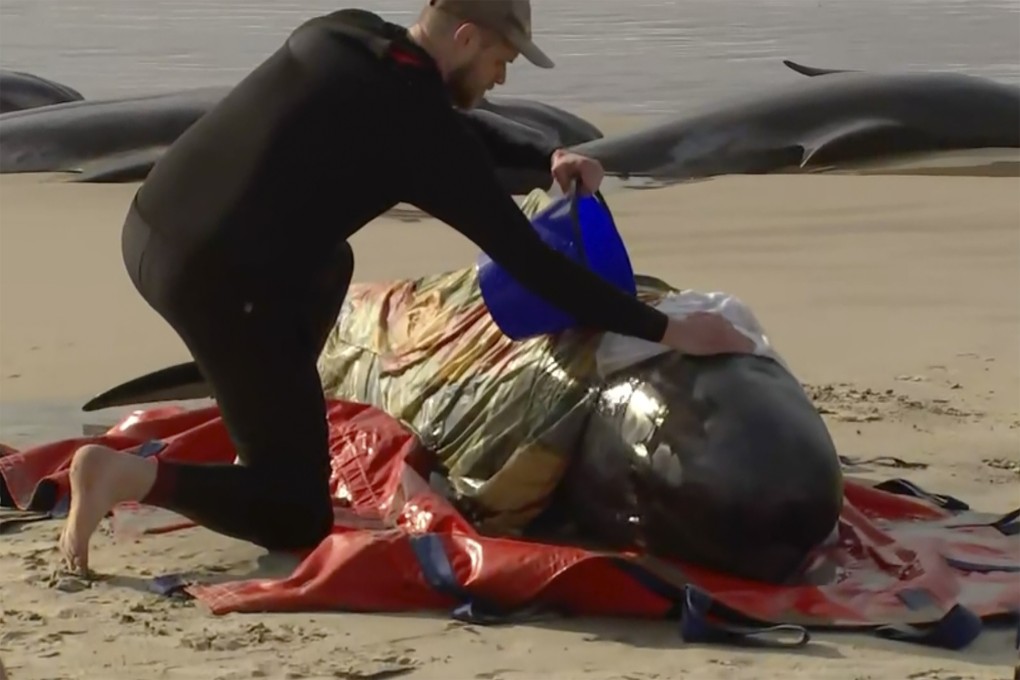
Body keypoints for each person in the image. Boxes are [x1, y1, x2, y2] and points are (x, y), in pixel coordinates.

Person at [59, 0, 754, 574]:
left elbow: (449, 125)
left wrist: (546, 157)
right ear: (466, 36)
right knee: (296, 513)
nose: (501, 77)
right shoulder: (414, 128)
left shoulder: (348, 33)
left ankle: (265, 431)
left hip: (152, 227)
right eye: (500, 60)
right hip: (217, 280)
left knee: (331, 262)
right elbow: (529, 262)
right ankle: (124, 477)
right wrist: (665, 329)